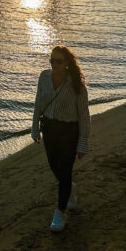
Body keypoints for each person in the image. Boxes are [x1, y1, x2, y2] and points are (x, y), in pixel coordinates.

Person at [31, 45, 90, 232]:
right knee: (54, 167)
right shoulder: (44, 77)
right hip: (49, 128)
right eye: (52, 60)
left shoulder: (76, 85)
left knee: (64, 170)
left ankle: (60, 212)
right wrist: (34, 128)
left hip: (69, 131)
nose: (54, 64)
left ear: (67, 63)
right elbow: (38, 103)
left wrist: (82, 142)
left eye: (59, 61)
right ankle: (70, 188)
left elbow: (84, 115)